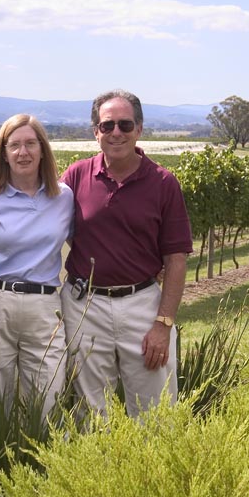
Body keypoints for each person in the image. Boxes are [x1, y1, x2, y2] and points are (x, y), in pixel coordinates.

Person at [61, 89, 193, 419]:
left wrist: (163, 324)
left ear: (139, 130)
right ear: (96, 132)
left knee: (155, 411)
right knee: (90, 413)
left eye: (124, 124)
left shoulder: (163, 183)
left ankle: (154, 471)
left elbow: (176, 259)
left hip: (143, 308)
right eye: (107, 126)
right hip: (84, 307)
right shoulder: (76, 176)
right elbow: (40, 223)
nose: (116, 132)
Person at [0, 113, 74, 417]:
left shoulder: (64, 198)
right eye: (15, 145)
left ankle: (42, 464)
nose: (23, 152)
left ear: (43, 149)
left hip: (46, 307)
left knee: (49, 402)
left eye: (31, 144)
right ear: (4, 153)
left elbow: (86, 245)